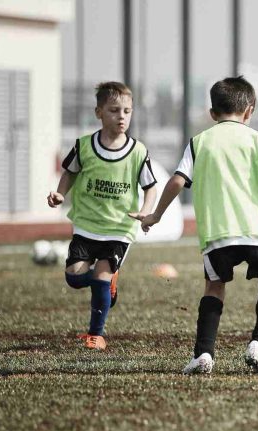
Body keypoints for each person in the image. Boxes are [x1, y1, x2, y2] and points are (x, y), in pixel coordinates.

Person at [135, 76, 258, 374]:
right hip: (256, 232)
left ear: (212, 113)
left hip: (217, 234)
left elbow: (177, 180)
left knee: (214, 287)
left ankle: (203, 354)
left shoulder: (199, 142)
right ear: (249, 111)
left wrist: (155, 215)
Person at [47, 81, 158, 351]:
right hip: (86, 226)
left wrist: (145, 211)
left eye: (127, 111)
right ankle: (106, 285)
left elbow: (151, 187)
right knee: (74, 278)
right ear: (99, 112)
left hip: (119, 229)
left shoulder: (138, 151)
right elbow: (70, 173)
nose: (122, 116)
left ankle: (96, 335)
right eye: (114, 110)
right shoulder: (84, 146)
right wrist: (61, 194)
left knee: (101, 276)